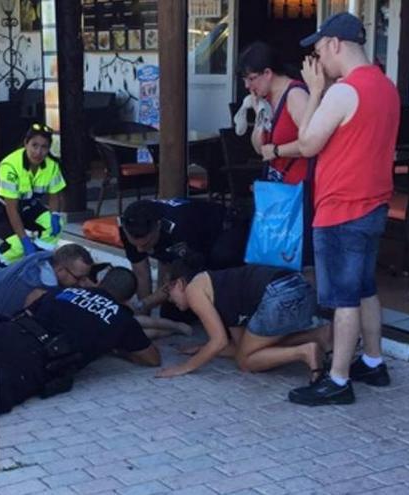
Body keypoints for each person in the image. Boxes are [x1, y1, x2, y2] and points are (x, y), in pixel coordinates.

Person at [290, 13, 400, 406]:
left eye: (319, 51)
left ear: (335, 44)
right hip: (373, 206)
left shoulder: (342, 92)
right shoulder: (386, 87)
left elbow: (307, 145)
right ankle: (373, 361)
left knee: (343, 299)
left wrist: (315, 91)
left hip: (342, 209)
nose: (319, 61)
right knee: (365, 288)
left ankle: (337, 381)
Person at [0, 267, 161, 425]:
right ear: (126, 298)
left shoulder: (66, 291)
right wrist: (114, 345)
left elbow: (32, 301)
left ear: (99, 282)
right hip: (36, 358)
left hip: (12, 330)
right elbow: (152, 359)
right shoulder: (121, 318)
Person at [155, 256, 330, 380]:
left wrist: (184, 367)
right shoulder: (219, 287)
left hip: (278, 296)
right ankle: (318, 335)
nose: (170, 300)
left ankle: (305, 352)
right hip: (299, 289)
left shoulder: (194, 289)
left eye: (168, 292)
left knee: (245, 362)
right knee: (249, 352)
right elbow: (238, 346)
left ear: (179, 283)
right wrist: (202, 349)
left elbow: (219, 342)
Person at [118, 198, 249, 320]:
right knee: (171, 314)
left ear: (158, 226)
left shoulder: (179, 228)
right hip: (192, 245)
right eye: (135, 244)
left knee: (209, 282)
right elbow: (142, 274)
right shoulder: (127, 226)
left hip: (224, 233)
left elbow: (185, 278)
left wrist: (145, 303)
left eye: (146, 244)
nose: (140, 250)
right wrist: (143, 317)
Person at [0, 123, 66, 269]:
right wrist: (25, 240)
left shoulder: (52, 165)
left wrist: (55, 215)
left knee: (53, 226)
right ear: (26, 143)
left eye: (44, 147)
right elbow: (11, 209)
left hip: (25, 203)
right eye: (34, 145)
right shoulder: (10, 166)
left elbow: (55, 196)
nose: (38, 152)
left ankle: (37, 263)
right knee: (17, 245)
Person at [240, 41, 310, 184]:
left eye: (251, 78)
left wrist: (278, 151)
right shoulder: (266, 99)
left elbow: (312, 141)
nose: (247, 85)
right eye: (244, 80)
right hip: (278, 186)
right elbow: (259, 148)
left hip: (298, 186)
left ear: (267, 73)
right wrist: (258, 112)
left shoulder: (295, 95)